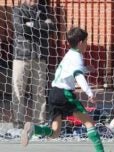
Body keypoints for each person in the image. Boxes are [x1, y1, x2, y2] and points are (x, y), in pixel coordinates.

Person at [20, 27, 105, 152]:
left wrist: (86, 69)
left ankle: (34, 129)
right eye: (86, 41)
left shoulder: (69, 54)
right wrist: (89, 93)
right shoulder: (77, 57)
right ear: (80, 43)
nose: (87, 44)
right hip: (65, 94)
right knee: (89, 123)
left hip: (54, 92)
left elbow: (70, 71)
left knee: (55, 132)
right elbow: (78, 75)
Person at [12, 0, 56, 129]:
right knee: (18, 90)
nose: (34, 1)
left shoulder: (45, 10)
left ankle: (39, 122)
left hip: (39, 56)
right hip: (21, 55)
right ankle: (18, 122)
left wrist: (31, 24)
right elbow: (20, 28)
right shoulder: (17, 10)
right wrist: (41, 25)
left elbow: (52, 28)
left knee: (39, 92)